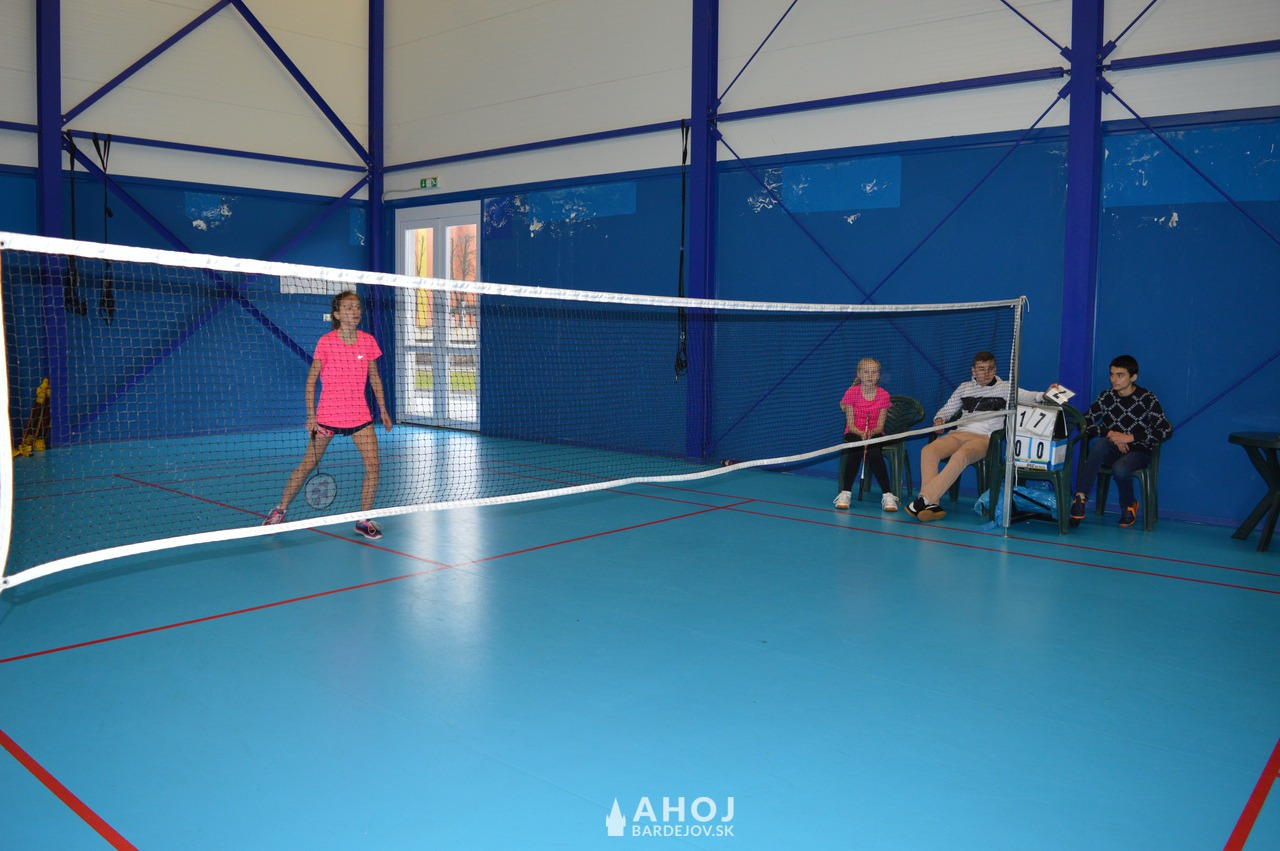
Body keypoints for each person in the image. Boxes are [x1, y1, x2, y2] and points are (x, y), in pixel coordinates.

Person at [262, 290, 393, 539]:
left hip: (359, 416)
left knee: (373, 466)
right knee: (307, 464)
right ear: (337, 314)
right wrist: (311, 416)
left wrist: (383, 410)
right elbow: (311, 381)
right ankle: (280, 509)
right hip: (327, 417)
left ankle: (363, 520)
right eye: (348, 308)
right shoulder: (326, 342)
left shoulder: (368, 341)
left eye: (357, 307)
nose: (355, 311)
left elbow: (374, 377)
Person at [907, 351, 1056, 522]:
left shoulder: (1005, 388)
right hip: (958, 434)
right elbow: (947, 409)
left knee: (960, 456)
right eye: (981, 369)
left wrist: (1043, 395)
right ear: (973, 370)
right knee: (928, 451)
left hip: (983, 439)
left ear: (995, 369)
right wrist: (939, 420)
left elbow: (1028, 396)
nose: (986, 373)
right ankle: (932, 504)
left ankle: (924, 499)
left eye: (990, 368)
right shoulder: (964, 388)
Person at [1068, 355, 1172, 529]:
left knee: (1120, 468)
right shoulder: (1106, 396)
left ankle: (1129, 504)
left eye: (1120, 375)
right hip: (1113, 448)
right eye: (1112, 374)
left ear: (1133, 377)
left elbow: (1165, 430)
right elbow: (1083, 423)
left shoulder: (1147, 398)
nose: (1114, 379)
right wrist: (1110, 434)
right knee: (1099, 444)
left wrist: (1130, 438)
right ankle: (1080, 497)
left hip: (1139, 451)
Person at [834, 357, 899, 512]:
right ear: (859, 374)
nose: (870, 376)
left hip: (874, 432)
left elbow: (880, 426)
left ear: (879, 375)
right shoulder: (851, 393)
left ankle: (888, 495)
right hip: (854, 432)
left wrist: (871, 432)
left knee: (874, 453)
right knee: (856, 450)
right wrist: (860, 432)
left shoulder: (884, 395)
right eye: (866, 372)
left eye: (874, 372)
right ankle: (845, 493)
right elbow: (850, 424)